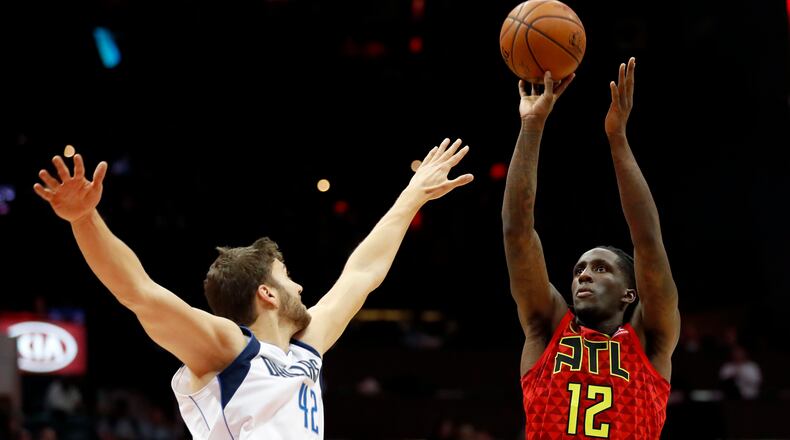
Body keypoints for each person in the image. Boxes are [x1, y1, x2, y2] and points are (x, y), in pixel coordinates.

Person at [34, 138, 473, 439]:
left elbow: (362, 273)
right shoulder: (228, 349)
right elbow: (139, 293)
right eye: (288, 277)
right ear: (267, 294)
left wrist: (413, 195)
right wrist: (84, 220)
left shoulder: (304, 350)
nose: (300, 285)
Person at [502, 57, 680, 439]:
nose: (583, 274)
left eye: (601, 268)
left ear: (630, 293)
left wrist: (617, 138)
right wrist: (531, 126)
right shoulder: (546, 328)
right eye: (580, 269)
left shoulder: (651, 339)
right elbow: (517, 232)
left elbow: (647, 240)